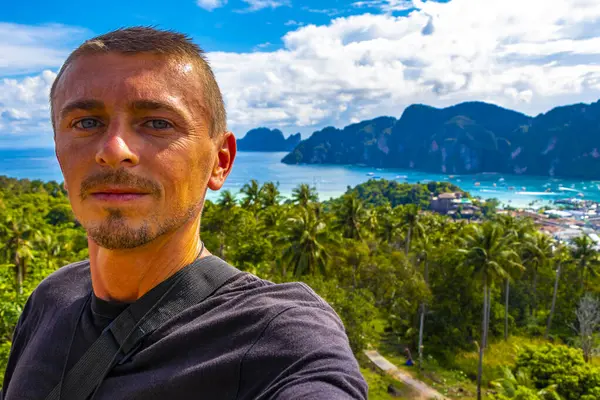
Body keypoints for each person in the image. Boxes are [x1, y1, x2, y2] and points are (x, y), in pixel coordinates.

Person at [1, 27, 367, 399]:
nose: (113, 149)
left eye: (158, 123)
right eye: (86, 123)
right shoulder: (49, 300)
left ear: (219, 162)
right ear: (60, 155)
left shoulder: (279, 338)